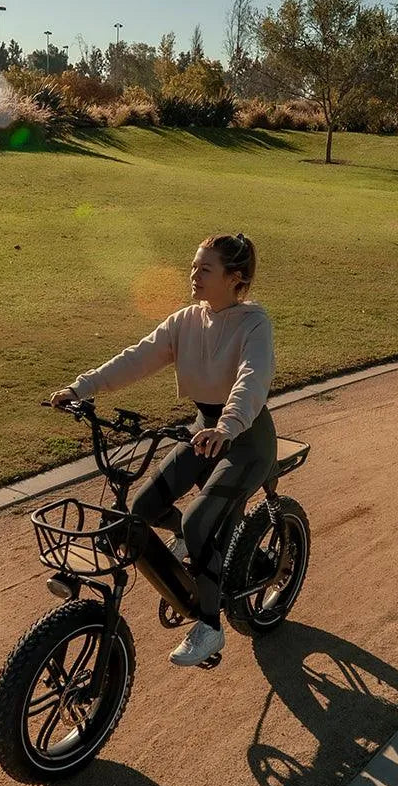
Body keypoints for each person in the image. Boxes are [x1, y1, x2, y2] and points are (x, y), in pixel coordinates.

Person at [50, 233, 276, 667]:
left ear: (235, 278)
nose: (194, 275)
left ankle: (209, 625)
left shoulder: (254, 323)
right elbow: (137, 357)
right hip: (204, 431)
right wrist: (82, 387)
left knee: (197, 522)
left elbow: (253, 378)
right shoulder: (186, 321)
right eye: (193, 266)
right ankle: (193, 547)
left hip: (245, 440)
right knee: (142, 508)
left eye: (205, 269)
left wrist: (227, 426)